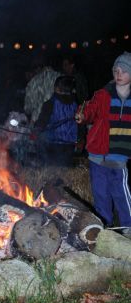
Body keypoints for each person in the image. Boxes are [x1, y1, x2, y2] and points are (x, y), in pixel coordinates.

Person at [76, 51, 131, 228]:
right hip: (98, 155)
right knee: (101, 198)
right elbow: (90, 110)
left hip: (120, 158)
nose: (119, 74)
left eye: (124, 71)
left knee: (122, 197)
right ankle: (105, 235)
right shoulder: (103, 94)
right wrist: (83, 115)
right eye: (116, 70)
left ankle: (128, 231)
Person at [35, 75, 78, 167]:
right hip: (70, 144)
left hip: (54, 144)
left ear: (57, 88)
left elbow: (41, 122)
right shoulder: (75, 104)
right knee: (65, 170)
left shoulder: (50, 104)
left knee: (53, 170)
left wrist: (36, 129)